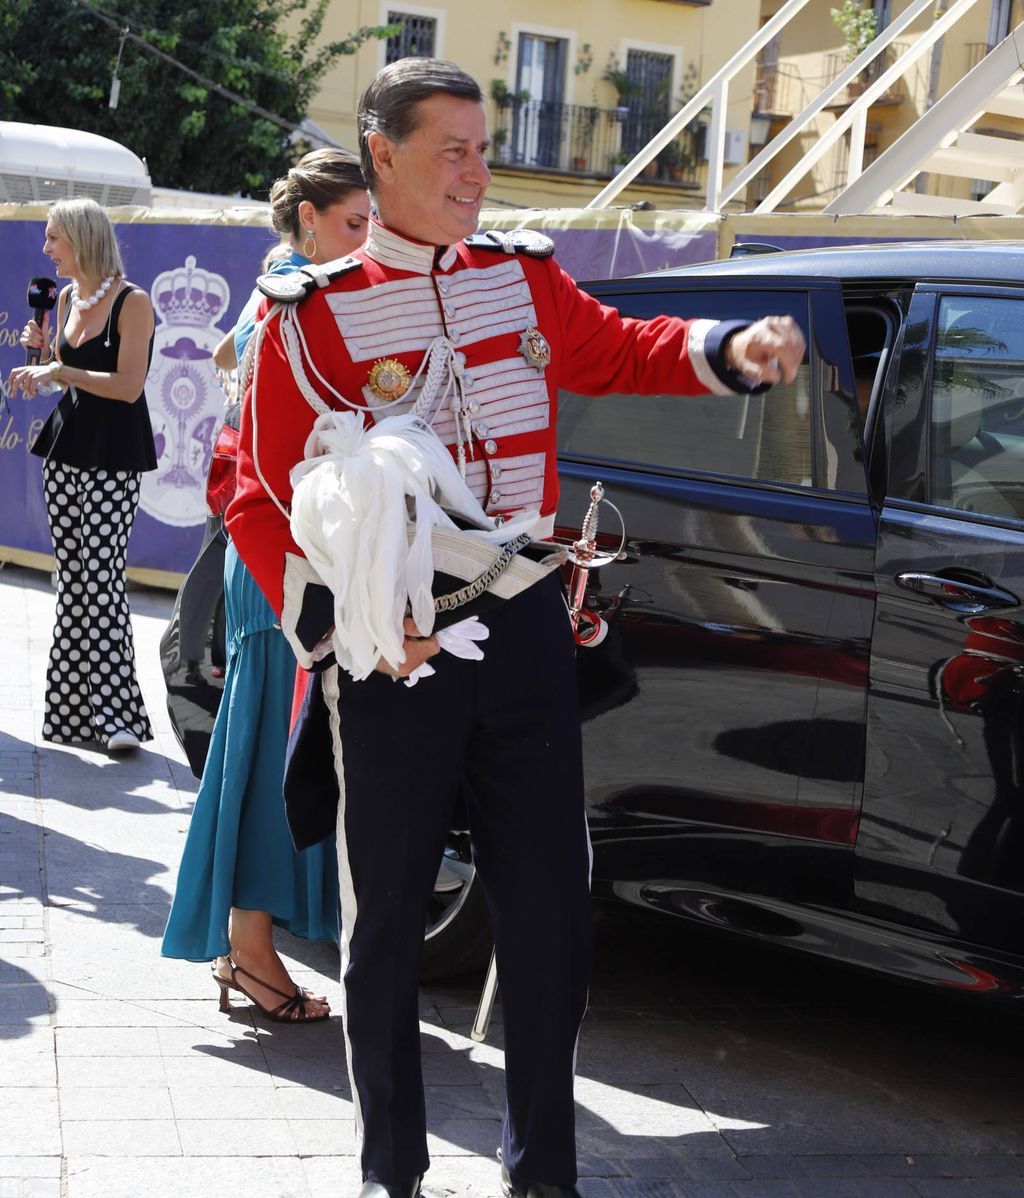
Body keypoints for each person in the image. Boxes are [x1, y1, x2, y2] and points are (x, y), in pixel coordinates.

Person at [227, 59, 804, 1198]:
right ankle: (390, 1170)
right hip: (399, 654)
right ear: (380, 156)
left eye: (485, 149)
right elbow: (258, 499)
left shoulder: (523, 279)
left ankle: (542, 1172)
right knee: (386, 923)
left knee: (550, 916)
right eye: (452, 149)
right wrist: (362, 632)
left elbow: (616, 347)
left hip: (529, 625)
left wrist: (729, 354)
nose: (477, 172)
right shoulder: (311, 316)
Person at [160, 150, 371, 1023]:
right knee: (265, 762)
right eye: (355, 223)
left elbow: (225, 365)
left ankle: (248, 949)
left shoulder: (279, 292)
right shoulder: (291, 298)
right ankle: (247, 952)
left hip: (284, 552)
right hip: (276, 557)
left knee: (272, 755)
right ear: (311, 220)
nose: (369, 238)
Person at [6, 197, 157, 754]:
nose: (46, 249)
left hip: (114, 456)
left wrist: (61, 367)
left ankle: (119, 717)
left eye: (54, 239)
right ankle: (70, 713)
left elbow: (127, 386)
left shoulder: (132, 302)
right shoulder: (66, 297)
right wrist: (41, 363)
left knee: (99, 579)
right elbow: (65, 385)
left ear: (81, 238)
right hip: (65, 449)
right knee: (71, 581)